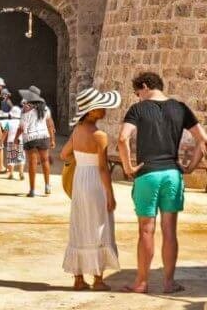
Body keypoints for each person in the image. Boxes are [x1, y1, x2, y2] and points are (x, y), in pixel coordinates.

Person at [118, 72, 206, 294]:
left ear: (145, 86)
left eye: (138, 93)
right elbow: (203, 140)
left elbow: (122, 138)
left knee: (146, 230)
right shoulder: (180, 108)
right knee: (170, 231)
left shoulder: (138, 110)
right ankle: (168, 283)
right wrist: (191, 166)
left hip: (148, 174)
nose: (138, 98)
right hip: (172, 174)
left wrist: (128, 167)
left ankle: (141, 282)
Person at [60, 87, 122, 291]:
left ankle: (78, 279)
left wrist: (80, 161)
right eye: (101, 106)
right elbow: (103, 168)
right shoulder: (100, 136)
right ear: (92, 111)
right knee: (99, 225)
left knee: (80, 223)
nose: (104, 109)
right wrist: (110, 195)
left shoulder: (77, 131)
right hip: (95, 181)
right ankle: (98, 279)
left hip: (80, 180)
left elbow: (63, 154)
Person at [14, 86, 56, 197]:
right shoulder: (45, 108)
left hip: (30, 138)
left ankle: (32, 190)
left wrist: (16, 138)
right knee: (45, 161)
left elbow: (22, 127)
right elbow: (50, 124)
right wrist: (52, 139)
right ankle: (47, 186)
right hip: (43, 137)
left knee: (32, 163)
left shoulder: (25, 109)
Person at [2, 106, 25, 180]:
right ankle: (21, 173)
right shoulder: (22, 123)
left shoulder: (8, 122)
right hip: (20, 141)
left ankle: (11, 173)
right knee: (21, 158)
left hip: (11, 142)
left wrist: (1, 141)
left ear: (11, 114)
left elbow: (5, 132)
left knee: (11, 158)